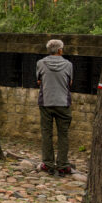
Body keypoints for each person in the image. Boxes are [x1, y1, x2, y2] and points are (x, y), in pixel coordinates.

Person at [36, 39, 74, 176]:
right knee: (63, 134)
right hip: (63, 103)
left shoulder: (40, 63)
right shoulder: (68, 65)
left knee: (47, 133)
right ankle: (63, 164)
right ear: (60, 50)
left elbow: (38, 80)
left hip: (46, 102)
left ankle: (48, 163)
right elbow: (70, 82)